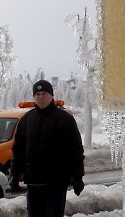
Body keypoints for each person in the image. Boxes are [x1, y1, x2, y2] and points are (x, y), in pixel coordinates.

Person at [10, 79, 85, 217]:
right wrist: (14, 175)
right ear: (34, 96)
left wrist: (77, 177)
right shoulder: (26, 120)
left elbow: (75, 151)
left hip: (56, 182)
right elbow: (18, 150)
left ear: (51, 95)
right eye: (37, 94)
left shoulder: (65, 119)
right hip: (33, 183)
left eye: (44, 93)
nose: (41, 97)